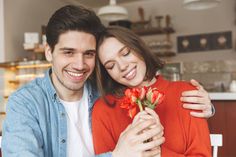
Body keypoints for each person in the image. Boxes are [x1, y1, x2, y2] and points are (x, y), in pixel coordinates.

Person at [2, 4, 213, 157]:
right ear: (49, 52)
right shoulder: (25, 103)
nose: (79, 64)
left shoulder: (106, 95)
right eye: (68, 52)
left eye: (89, 54)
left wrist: (209, 106)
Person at [92, 26, 212, 156]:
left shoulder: (187, 94)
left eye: (125, 53)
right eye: (111, 65)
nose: (122, 66)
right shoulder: (102, 109)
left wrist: (157, 153)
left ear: (139, 47)